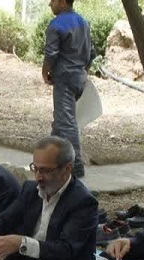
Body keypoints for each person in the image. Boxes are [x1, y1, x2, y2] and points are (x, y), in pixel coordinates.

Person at [42, 0, 96, 178]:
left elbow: (51, 54)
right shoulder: (83, 22)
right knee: (60, 124)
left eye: (52, 0)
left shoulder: (57, 24)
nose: (49, 4)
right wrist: (83, 71)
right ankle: (50, 161)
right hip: (79, 78)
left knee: (66, 125)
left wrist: (45, 72)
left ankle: (76, 169)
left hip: (64, 79)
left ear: (62, 2)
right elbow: (91, 53)